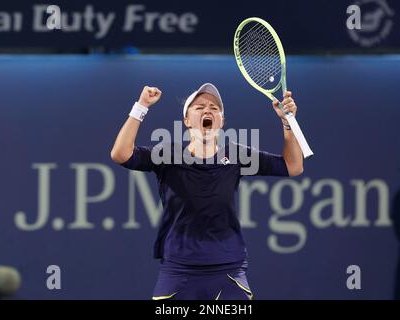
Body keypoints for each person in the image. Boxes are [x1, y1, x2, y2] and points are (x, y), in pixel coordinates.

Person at [110, 83, 303, 300]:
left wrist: (288, 123)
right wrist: (141, 106)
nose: (207, 110)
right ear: (186, 120)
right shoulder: (167, 154)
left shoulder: (238, 154)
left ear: (222, 121)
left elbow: (293, 166)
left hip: (228, 268)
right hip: (178, 269)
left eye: (214, 108)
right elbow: (121, 154)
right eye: (199, 107)